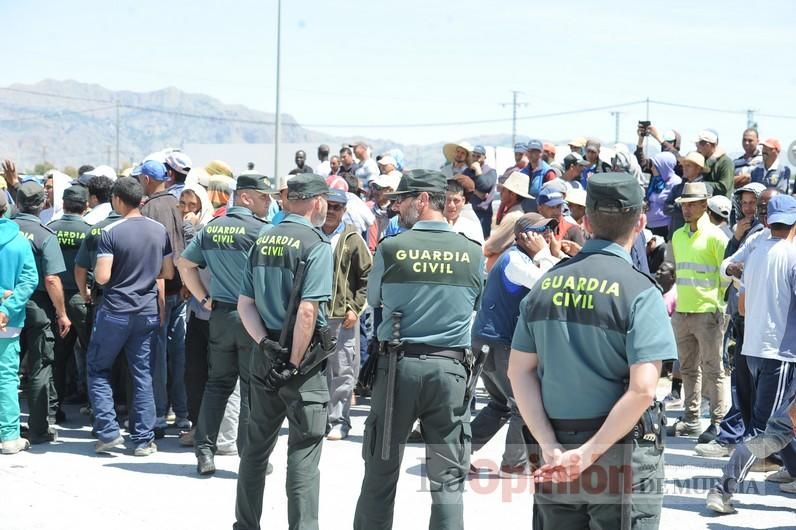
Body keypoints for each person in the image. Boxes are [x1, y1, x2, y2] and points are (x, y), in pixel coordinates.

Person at [509, 171, 676, 529]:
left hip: (555, 448)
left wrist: (549, 443)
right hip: (619, 450)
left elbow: (518, 371)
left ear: (585, 220)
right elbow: (643, 388)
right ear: (640, 221)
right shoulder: (640, 291)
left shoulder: (546, 285)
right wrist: (590, 452)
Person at [353, 169, 484, 530]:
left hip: (398, 368)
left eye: (404, 201)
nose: (398, 209)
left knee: (380, 473)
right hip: (451, 372)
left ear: (423, 200)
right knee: (447, 483)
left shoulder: (392, 248)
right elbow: (476, 303)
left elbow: (375, 298)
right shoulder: (471, 252)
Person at [234, 172, 332, 530]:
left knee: (255, 452)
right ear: (318, 201)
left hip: (264, 354)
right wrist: (292, 362)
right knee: (304, 456)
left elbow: (244, 303)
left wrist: (265, 344)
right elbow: (308, 311)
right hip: (302, 363)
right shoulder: (316, 244)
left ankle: (245, 525)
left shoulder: (263, 238)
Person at [705, 195, 796, 513]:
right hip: (780, 353)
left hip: (754, 349)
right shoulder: (793, 256)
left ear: (769, 221)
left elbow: (740, 298)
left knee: (784, 420)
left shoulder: (756, 250)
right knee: (766, 428)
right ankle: (722, 490)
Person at [178, 172, 272, 476]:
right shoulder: (262, 231)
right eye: (263, 196)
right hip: (252, 318)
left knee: (217, 384)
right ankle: (249, 456)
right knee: (250, 388)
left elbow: (185, 264)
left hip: (218, 315)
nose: (268, 202)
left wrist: (203, 299)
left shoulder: (212, 228)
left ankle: (204, 452)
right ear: (245, 197)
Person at [88, 176, 174, 456]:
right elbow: (168, 272)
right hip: (146, 310)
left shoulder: (111, 232)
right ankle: (142, 439)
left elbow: (102, 277)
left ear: (117, 200)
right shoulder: (159, 230)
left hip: (115, 311)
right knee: (142, 375)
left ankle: (109, 432)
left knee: (98, 369)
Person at [471, 213, 560, 477]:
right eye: (541, 231)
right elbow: (549, 284)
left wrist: (548, 252)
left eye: (549, 230)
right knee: (522, 403)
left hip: (491, 341)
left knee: (499, 405)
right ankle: (513, 463)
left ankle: (455, 455)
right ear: (523, 236)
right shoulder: (514, 260)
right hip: (498, 342)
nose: (547, 235)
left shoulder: (520, 258)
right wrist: (546, 253)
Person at [669, 181, 730, 442]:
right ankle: (691, 419)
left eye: (692, 204)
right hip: (682, 311)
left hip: (707, 313)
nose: (687, 209)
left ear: (705, 205)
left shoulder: (717, 237)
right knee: (688, 369)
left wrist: (718, 306)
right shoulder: (678, 235)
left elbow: (727, 277)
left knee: (713, 370)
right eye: (684, 204)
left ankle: (717, 423)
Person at [13, 181, 70, 445]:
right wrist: (61, 313)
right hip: (37, 306)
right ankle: (38, 428)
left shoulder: (7, 230)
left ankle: (8, 426)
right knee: (39, 367)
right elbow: (52, 280)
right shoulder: (44, 234)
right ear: (42, 204)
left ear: (17, 203)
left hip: (7, 304)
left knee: (6, 368)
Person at [137, 159, 189, 434]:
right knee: (178, 352)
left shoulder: (149, 209)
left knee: (157, 356)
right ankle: (181, 412)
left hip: (160, 291)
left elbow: (157, 255)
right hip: (181, 288)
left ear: (146, 179)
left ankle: (158, 413)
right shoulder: (177, 204)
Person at [320, 189, 372, 440]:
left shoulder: (352, 238)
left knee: (342, 370)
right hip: (312, 315)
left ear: (344, 210)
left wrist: (355, 307)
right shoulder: (311, 232)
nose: (331, 211)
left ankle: (339, 420)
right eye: (328, 205)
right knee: (315, 370)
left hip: (341, 316)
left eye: (337, 207)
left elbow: (367, 276)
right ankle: (317, 419)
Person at [46, 186, 92, 422]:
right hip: (82, 298)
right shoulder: (89, 231)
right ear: (85, 205)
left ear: (63, 204)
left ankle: (53, 410)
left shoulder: (50, 229)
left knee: (58, 358)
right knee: (94, 354)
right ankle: (96, 409)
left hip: (56, 299)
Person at [0, 190, 37, 454]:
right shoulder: (20, 242)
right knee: (6, 377)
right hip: (9, 321)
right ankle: (9, 437)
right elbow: (29, 280)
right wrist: (6, 307)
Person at [483, 171, 531, 271]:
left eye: (504, 190)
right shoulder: (514, 214)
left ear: (512, 194)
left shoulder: (513, 217)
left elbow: (490, 247)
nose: (501, 193)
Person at [451, 145, 497, 238]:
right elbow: (461, 185)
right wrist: (476, 192)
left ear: (484, 157)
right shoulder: (467, 171)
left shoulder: (491, 172)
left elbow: (484, 186)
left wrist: (478, 171)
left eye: (478, 156)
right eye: (474, 156)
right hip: (467, 211)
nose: (476, 158)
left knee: (481, 239)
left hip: (482, 214)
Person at [664, 151, 706, 238]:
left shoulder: (705, 188)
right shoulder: (677, 188)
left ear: (698, 168)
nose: (684, 168)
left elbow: (700, 212)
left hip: (697, 237)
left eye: (688, 166)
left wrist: (678, 205)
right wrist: (687, 209)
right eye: (684, 165)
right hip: (675, 236)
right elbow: (666, 208)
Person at [645, 152, 682, 238]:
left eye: (655, 166)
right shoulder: (656, 180)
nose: (652, 168)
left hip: (664, 228)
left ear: (664, 167)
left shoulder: (676, 183)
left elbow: (675, 207)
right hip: (649, 225)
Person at [443, 180, 485, 245]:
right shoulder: (433, 225)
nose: (451, 205)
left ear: (463, 201)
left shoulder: (472, 227)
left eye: (456, 200)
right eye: (447, 200)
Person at [695, 129, 734, 198]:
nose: (697, 149)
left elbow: (724, 187)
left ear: (707, 146)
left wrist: (702, 185)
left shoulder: (725, 162)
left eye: (698, 146)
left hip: (721, 204)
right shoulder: (704, 160)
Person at [520, 139, 551, 210]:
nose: (531, 154)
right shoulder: (523, 172)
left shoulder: (548, 172)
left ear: (541, 153)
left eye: (535, 151)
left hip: (541, 216)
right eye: (530, 151)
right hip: (524, 213)